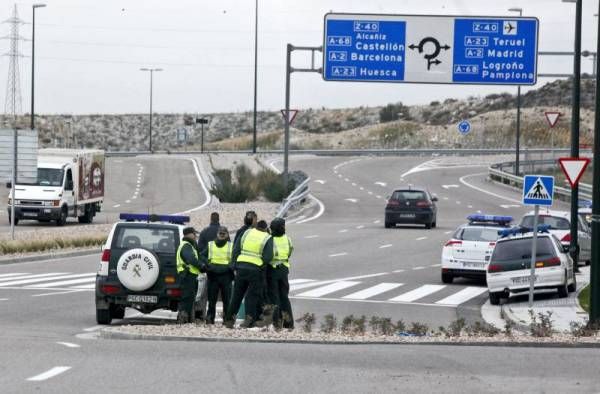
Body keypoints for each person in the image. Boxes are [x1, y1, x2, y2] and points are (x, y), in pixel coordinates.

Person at [225, 220, 273, 328]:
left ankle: (229, 321)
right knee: (251, 296)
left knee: (236, 296)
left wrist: (235, 264)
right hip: (255, 270)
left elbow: (236, 248)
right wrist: (262, 264)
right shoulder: (267, 237)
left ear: (256, 227)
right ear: (265, 229)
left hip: (241, 267)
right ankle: (248, 321)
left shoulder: (246, 233)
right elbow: (268, 256)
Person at [266, 217, 294, 329]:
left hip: (273, 270)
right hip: (284, 270)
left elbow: (267, 255)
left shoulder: (269, 240)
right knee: (284, 297)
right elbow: (290, 251)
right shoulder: (287, 239)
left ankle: (277, 323)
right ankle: (289, 323)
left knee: (274, 298)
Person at [203, 226, 233, 325]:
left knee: (226, 300)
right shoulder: (210, 245)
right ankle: (210, 318)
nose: (222, 235)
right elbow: (201, 256)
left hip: (225, 276)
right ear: (217, 234)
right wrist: (207, 265)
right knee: (212, 300)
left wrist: (230, 267)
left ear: (227, 235)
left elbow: (235, 259)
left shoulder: (230, 246)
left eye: (223, 233)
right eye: (220, 233)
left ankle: (226, 319)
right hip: (214, 275)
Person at [176, 227, 207, 324]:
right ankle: (182, 319)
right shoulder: (186, 246)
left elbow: (197, 257)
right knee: (187, 297)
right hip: (187, 275)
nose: (195, 236)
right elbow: (191, 259)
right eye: (194, 234)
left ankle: (184, 318)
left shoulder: (190, 245)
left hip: (190, 275)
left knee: (189, 298)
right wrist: (201, 266)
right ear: (188, 234)